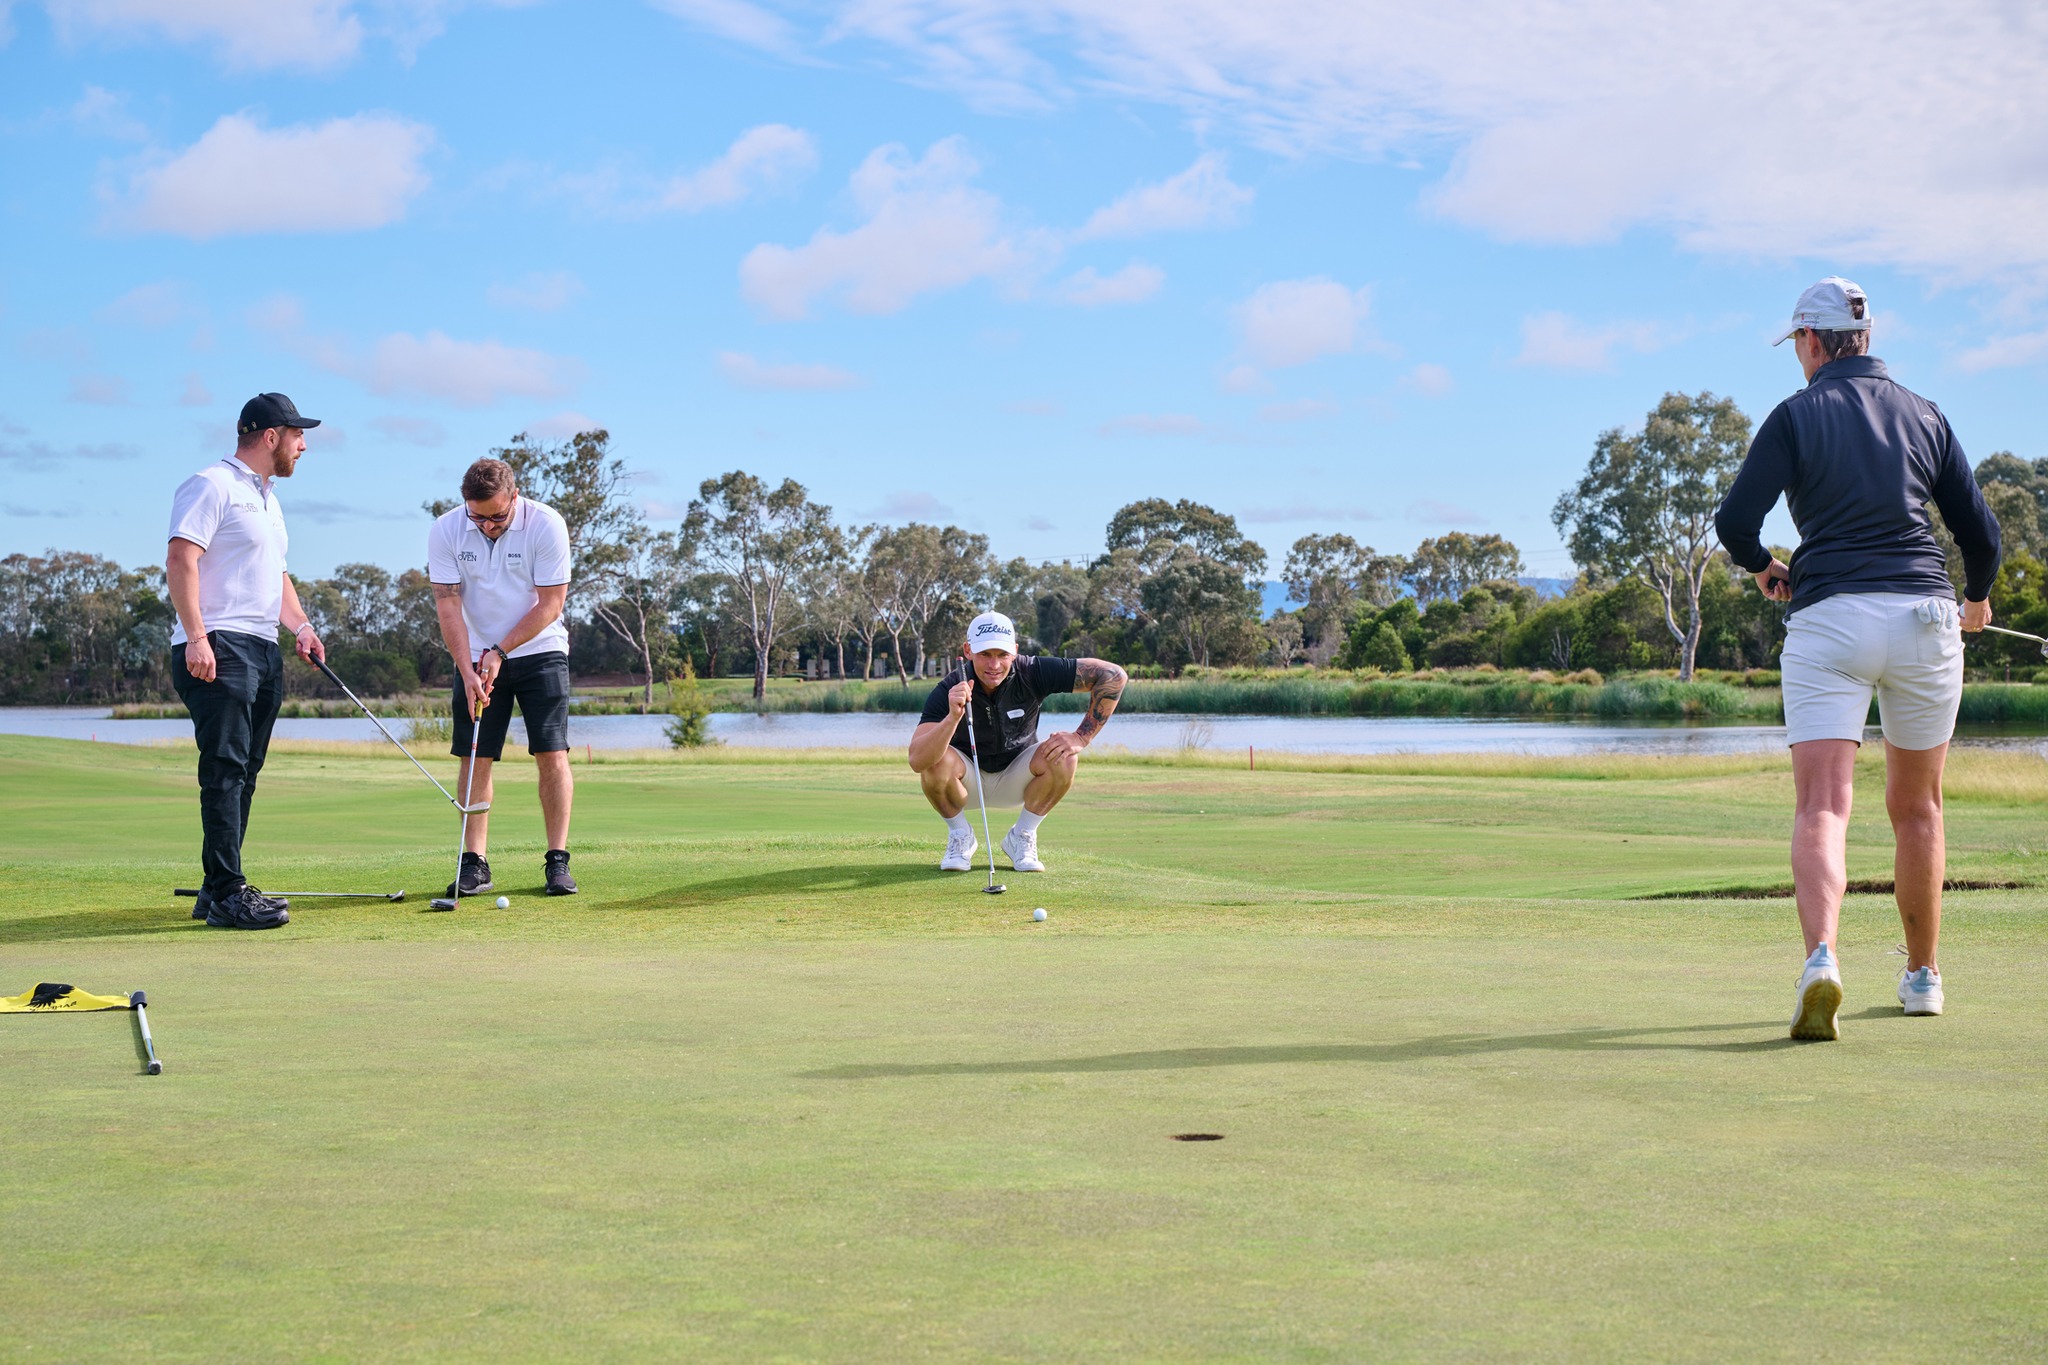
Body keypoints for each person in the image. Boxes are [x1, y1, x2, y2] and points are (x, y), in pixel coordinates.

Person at [1715, 277, 2001, 1041]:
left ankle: (1821, 960)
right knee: (1919, 807)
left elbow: (1735, 520)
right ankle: (1923, 977)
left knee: (1822, 805)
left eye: (1796, 343)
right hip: (1925, 617)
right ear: (1865, 338)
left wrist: (1764, 566)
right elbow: (1982, 535)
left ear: (1811, 341)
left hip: (1830, 617)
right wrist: (1976, 600)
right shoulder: (1925, 413)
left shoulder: (1796, 414)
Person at [167, 392, 328, 930]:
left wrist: (301, 627)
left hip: (262, 645)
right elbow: (180, 558)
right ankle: (230, 894)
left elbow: (276, 575)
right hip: (219, 642)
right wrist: (197, 637)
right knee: (225, 770)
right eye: (298, 435)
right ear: (271, 436)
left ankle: (215, 889)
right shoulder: (211, 484)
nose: (303, 446)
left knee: (245, 772)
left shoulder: (268, 500)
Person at [427, 457, 578, 898]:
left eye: (497, 516)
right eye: (478, 517)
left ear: (515, 497)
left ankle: (557, 861)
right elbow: (448, 605)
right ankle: (474, 863)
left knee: (551, 753)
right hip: (475, 657)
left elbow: (551, 604)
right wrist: (466, 669)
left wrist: (500, 651)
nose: (488, 526)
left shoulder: (546, 524)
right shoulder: (446, 529)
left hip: (540, 649)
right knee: (475, 755)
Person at [907, 611, 1127, 873]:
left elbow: (1114, 675)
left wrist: (1081, 737)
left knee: (1065, 756)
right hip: (966, 784)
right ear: (968, 651)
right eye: (985, 654)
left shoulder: (1032, 671)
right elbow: (917, 760)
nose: (994, 664)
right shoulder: (949, 687)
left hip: (1020, 779)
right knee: (935, 759)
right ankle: (960, 835)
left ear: (1015, 651)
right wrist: (952, 718)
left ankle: (1021, 836)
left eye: (1002, 654)